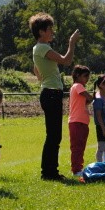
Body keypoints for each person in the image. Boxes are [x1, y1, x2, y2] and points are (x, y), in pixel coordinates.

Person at [31, 12, 80, 181]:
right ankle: (49, 172)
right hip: (51, 94)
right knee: (54, 136)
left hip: (49, 93)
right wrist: (72, 43)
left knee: (53, 135)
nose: (52, 32)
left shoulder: (38, 49)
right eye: (49, 29)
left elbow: (37, 72)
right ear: (41, 31)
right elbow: (66, 60)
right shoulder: (43, 48)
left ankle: (49, 171)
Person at [68, 65, 92, 177]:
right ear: (77, 76)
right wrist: (94, 96)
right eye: (85, 76)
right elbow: (89, 98)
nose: (87, 79)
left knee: (80, 146)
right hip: (77, 121)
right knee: (77, 147)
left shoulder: (77, 87)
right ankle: (76, 169)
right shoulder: (78, 86)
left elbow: (85, 102)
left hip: (82, 121)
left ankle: (79, 167)